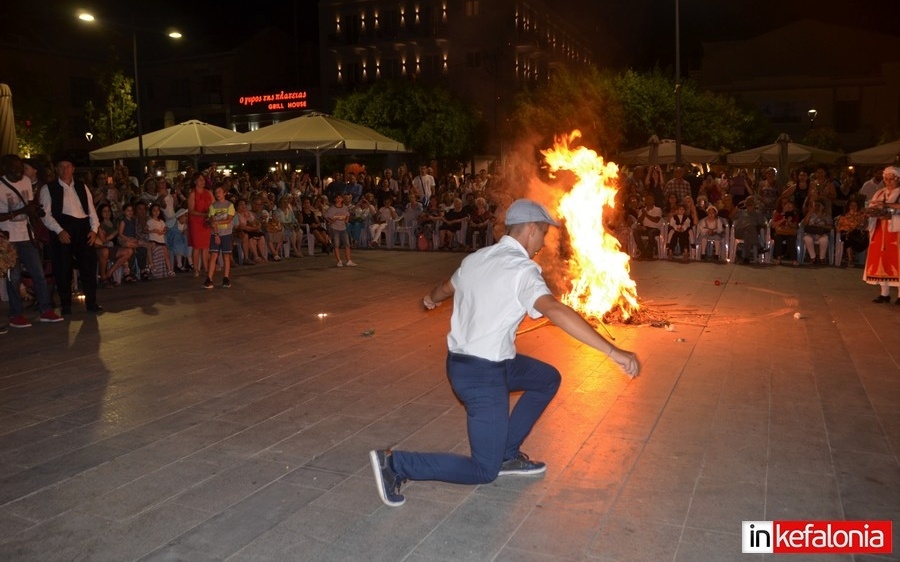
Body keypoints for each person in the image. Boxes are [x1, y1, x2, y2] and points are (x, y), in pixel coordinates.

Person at [368, 199, 639, 508]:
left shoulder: (477, 259)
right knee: (484, 470)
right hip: (482, 377)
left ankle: (507, 453)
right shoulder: (523, 270)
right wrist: (611, 350)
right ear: (532, 230)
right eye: (544, 234)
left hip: (469, 363)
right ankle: (397, 464)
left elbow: (446, 287)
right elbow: (553, 309)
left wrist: (431, 299)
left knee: (546, 378)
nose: (544, 242)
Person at [0, 154, 64, 326]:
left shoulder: (26, 182)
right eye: (15, 169)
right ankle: (16, 314)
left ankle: (46, 310)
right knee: (13, 278)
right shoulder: (0, 185)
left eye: (21, 168)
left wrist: (36, 212)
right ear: (6, 169)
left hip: (26, 235)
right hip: (8, 239)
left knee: (39, 274)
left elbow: (30, 208)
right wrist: (20, 211)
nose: (20, 172)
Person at [39, 154, 102, 315]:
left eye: (68, 166)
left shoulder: (82, 186)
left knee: (88, 266)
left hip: (82, 227)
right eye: (61, 166)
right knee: (63, 268)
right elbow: (45, 214)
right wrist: (59, 230)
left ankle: (91, 302)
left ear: (73, 169)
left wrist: (93, 230)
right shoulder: (48, 188)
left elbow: (91, 210)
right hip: (62, 227)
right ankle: (66, 305)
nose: (65, 169)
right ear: (56, 169)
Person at [864, 166, 900, 304]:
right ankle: (884, 294)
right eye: (886, 179)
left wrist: (886, 206)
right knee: (881, 261)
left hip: (896, 232)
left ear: (898, 179)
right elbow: (871, 206)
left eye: (891, 179)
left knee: (897, 261)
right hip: (880, 230)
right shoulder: (880, 192)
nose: (888, 182)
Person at [203, 185, 235, 289]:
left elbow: (229, 219)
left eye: (220, 191)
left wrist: (216, 222)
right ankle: (209, 278)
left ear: (224, 193)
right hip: (215, 233)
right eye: (216, 191)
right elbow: (212, 221)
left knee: (226, 256)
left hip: (226, 233)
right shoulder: (213, 206)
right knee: (213, 255)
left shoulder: (229, 205)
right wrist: (216, 234)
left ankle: (226, 278)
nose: (217, 193)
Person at [186, 172, 213, 277]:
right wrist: (203, 214)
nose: (202, 182)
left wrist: (210, 214)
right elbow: (191, 210)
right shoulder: (193, 193)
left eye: (203, 180)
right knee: (197, 246)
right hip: (196, 222)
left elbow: (213, 205)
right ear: (195, 181)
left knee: (206, 246)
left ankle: (206, 267)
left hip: (206, 221)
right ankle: (196, 269)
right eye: (200, 180)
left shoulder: (208, 192)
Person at [731, 197, 767, 264]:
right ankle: (759, 246)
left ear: (754, 205)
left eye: (752, 204)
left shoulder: (758, 214)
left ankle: (746, 258)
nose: (750, 206)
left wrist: (755, 226)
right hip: (739, 231)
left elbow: (763, 225)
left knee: (747, 233)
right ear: (746, 205)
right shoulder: (741, 212)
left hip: (751, 233)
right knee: (749, 226)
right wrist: (735, 210)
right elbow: (731, 217)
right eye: (748, 204)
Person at [324, 193, 356, 267]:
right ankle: (339, 261)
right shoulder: (332, 208)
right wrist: (331, 220)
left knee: (347, 244)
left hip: (343, 228)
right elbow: (325, 215)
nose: (339, 200)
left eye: (340, 198)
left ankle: (349, 260)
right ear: (335, 199)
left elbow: (347, 215)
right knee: (336, 245)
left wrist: (346, 220)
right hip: (335, 228)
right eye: (337, 198)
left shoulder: (344, 207)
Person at [801, 199, 833, 266]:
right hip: (811, 233)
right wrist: (810, 212)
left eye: (819, 205)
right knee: (807, 238)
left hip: (821, 233)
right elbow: (804, 224)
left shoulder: (826, 216)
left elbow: (831, 227)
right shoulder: (811, 214)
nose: (817, 207)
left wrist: (822, 226)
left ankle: (822, 258)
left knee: (824, 239)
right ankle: (813, 258)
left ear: (823, 207)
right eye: (816, 205)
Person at [770, 199, 800, 266]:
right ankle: (778, 258)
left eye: (790, 207)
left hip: (789, 231)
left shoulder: (794, 215)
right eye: (786, 206)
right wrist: (783, 219)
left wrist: (790, 223)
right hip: (781, 232)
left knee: (792, 239)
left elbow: (796, 226)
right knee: (777, 237)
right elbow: (773, 225)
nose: (788, 208)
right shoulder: (779, 214)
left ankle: (794, 259)